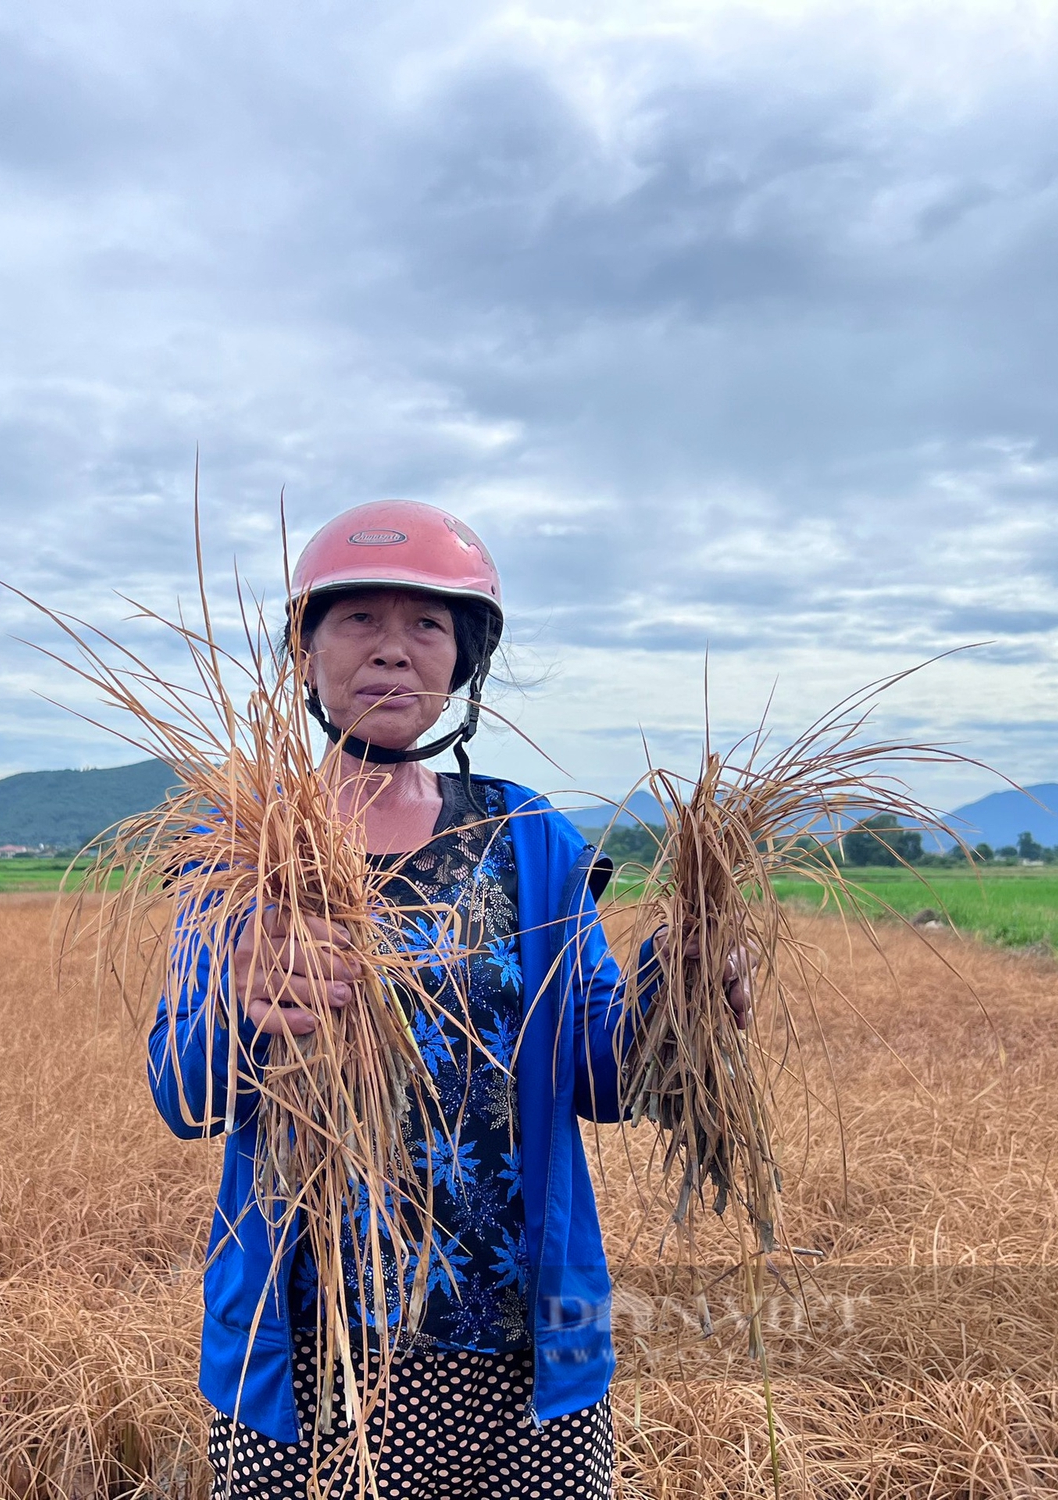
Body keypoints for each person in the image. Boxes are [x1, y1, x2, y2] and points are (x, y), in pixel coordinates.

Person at [147, 500, 750, 1499]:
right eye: (357, 621)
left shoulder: (528, 838)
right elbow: (184, 1092)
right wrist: (243, 1014)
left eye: (425, 624)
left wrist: (673, 990)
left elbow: (598, 1074)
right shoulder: (241, 846)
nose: (392, 650)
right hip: (310, 1360)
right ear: (303, 653)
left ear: (462, 659)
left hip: (520, 1362)